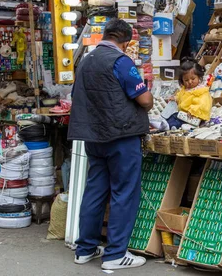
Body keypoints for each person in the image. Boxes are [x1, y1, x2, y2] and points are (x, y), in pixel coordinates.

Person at [68, 18, 153, 270]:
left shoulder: (86, 61)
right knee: (123, 193)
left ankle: (85, 249)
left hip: (94, 137)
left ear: (106, 34)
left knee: (94, 191)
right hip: (121, 136)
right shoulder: (120, 61)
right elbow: (145, 100)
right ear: (125, 42)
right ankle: (116, 254)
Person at [165, 57, 212, 129]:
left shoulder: (201, 90)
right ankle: (167, 124)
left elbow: (202, 103)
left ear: (199, 77)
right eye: (186, 80)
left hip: (195, 116)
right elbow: (180, 96)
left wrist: (193, 110)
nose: (190, 82)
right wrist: (175, 98)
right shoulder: (185, 89)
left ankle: (169, 126)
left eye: (193, 79)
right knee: (174, 116)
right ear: (182, 80)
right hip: (184, 114)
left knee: (178, 121)